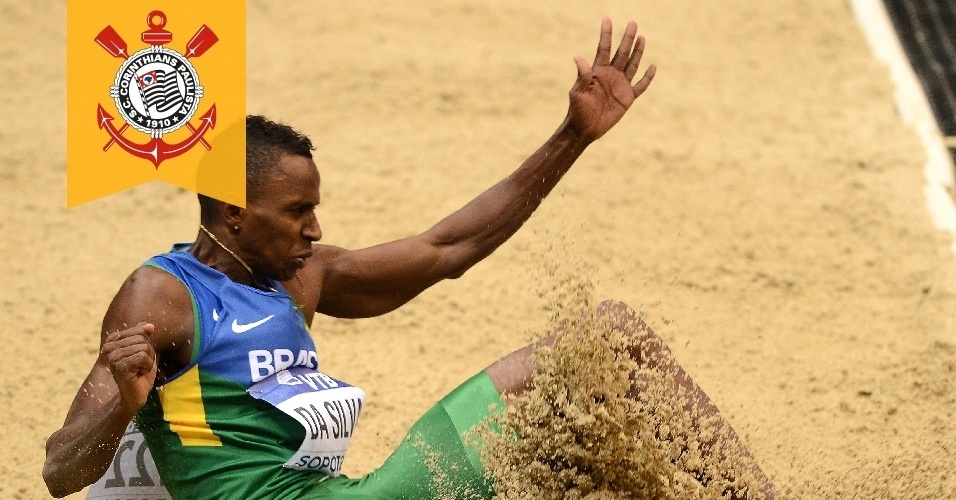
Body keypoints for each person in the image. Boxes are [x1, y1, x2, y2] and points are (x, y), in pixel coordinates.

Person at [44, 18, 771, 499]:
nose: (313, 228)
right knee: (612, 341)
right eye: (297, 211)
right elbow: (59, 471)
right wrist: (123, 398)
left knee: (572, 452)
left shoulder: (302, 278)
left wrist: (571, 137)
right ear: (234, 211)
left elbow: (447, 247)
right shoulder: (162, 295)